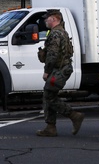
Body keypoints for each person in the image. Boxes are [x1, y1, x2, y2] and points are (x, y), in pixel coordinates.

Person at [35, 9, 85, 137]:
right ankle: (50, 127)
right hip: (62, 68)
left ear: (54, 19)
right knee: (49, 95)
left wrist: (47, 71)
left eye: (47, 18)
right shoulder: (59, 32)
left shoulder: (56, 34)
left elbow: (52, 54)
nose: (45, 20)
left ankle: (74, 116)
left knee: (49, 96)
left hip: (59, 69)